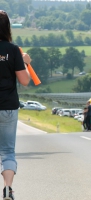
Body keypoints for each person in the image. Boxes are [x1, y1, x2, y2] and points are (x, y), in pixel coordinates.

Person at [0, 10, 31, 200]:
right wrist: (26, 63)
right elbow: (25, 80)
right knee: (7, 150)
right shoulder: (13, 50)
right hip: (8, 107)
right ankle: (7, 188)